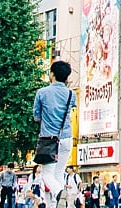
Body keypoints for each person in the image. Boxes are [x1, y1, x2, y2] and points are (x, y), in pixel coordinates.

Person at [33, 61, 76, 208]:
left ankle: (59, 193)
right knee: (58, 174)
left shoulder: (42, 93)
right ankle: (57, 205)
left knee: (46, 175)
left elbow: (36, 116)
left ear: (52, 74)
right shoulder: (71, 94)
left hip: (49, 139)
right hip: (66, 137)